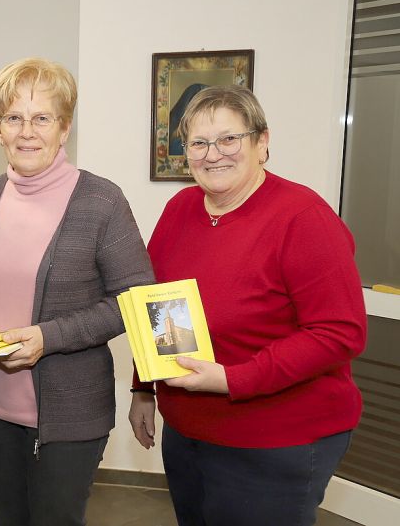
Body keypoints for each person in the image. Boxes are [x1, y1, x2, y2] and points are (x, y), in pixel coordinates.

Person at [128, 85, 366, 526]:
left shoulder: (303, 218)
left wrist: (233, 379)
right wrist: (145, 386)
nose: (212, 153)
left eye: (228, 138)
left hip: (275, 441)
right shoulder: (180, 209)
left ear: (262, 142)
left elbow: (339, 332)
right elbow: (158, 303)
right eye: (198, 143)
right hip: (188, 430)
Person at [0, 57, 155, 526]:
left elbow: (135, 299)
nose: (27, 131)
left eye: (42, 118)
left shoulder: (102, 201)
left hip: (70, 413)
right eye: (13, 118)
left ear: (65, 128)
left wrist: (48, 337)